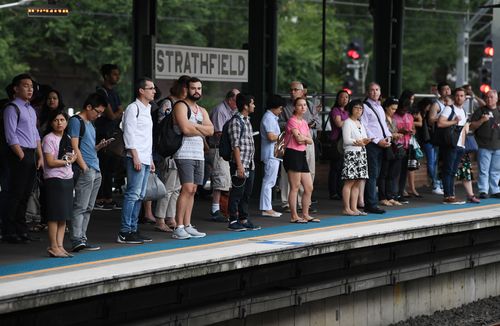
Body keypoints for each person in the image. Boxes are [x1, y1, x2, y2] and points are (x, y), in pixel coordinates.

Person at [2, 74, 44, 244]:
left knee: (26, 194)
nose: (30, 89)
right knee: (15, 194)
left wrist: (40, 156)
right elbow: (10, 135)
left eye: (31, 86)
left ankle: (21, 229)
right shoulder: (12, 108)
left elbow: (36, 135)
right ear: (16, 88)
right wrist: (21, 155)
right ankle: (9, 230)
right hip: (19, 155)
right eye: (25, 86)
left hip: (32, 154)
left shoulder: (30, 109)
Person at [172, 77, 213, 239]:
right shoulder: (180, 105)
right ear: (186, 89)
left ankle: (187, 225)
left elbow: (211, 131)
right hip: (184, 152)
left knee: (194, 190)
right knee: (187, 188)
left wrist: (194, 126)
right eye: (193, 88)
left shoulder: (202, 110)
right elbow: (185, 129)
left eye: (199, 88)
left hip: (198, 154)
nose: (197, 91)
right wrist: (200, 128)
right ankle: (178, 226)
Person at [117, 78, 156, 244]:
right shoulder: (133, 108)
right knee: (133, 194)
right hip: (137, 156)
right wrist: (135, 155)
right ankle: (125, 231)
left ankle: (133, 228)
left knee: (140, 195)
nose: (154, 91)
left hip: (145, 157)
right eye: (151, 88)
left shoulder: (147, 109)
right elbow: (129, 133)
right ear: (141, 90)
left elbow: (146, 137)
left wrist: (150, 158)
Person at [69, 93, 109, 252]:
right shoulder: (76, 121)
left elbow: (86, 147)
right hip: (86, 168)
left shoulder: (90, 124)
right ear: (88, 107)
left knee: (89, 206)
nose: (98, 115)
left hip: (95, 167)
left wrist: (98, 147)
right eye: (97, 112)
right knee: (81, 205)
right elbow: (74, 146)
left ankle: (82, 238)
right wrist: (84, 166)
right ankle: (76, 239)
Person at [152, 76, 190, 232]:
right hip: (170, 150)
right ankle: (160, 219)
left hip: (181, 150)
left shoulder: (184, 104)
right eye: (188, 88)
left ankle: (171, 217)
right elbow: (164, 126)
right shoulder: (169, 103)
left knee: (176, 188)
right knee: (168, 187)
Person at [42, 109, 77, 257]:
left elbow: (73, 155)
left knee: (63, 216)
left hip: (67, 178)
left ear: (66, 122)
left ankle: (60, 246)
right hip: (54, 180)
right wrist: (67, 161)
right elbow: (49, 162)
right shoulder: (48, 139)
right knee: (54, 215)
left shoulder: (67, 137)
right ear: (51, 123)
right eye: (56, 120)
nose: (59, 123)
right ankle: (53, 246)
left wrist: (71, 159)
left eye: (62, 120)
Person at [279, 81, 318, 212]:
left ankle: (304, 204)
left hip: (308, 141)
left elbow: (316, 121)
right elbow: (279, 123)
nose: (292, 92)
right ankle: (287, 204)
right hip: (291, 144)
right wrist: (295, 127)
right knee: (289, 177)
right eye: (291, 90)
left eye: (295, 90)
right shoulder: (285, 107)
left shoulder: (311, 105)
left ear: (303, 92)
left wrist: (307, 127)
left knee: (309, 173)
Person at [226, 94, 261, 231]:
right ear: (245, 106)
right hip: (240, 164)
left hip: (249, 163)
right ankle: (233, 220)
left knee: (246, 193)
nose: (254, 106)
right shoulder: (236, 121)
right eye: (252, 103)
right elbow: (235, 146)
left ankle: (243, 219)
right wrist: (239, 166)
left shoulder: (247, 120)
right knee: (237, 193)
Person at [283, 97, 320, 224]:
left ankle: (305, 214)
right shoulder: (292, 121)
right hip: (292, 153)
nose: (303, 107)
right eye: (300, 105)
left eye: (304, 105)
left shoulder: (304, 122)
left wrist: (302, 137)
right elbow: (299, 140)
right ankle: (294, 216)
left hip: (301, 154)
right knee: (295, 186)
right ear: (295, 107)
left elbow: (310, 140)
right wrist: (303, 138)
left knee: (309, 187)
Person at [95, 64, 124, 210]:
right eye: (114, 74)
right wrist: (117, 113)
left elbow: (118, 110)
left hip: (112, 132)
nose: (117, 77)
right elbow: (112, 114)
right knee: (102, 166)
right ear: (106, 75)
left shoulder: (114, 93)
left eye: (117, 74)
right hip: (102, 133)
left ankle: (107, 197)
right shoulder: (101, 92)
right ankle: (100, 198)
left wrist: (116, 113)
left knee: (110, 167)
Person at [208, 89, 240, 222]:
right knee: (220, 180)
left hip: (227, 149)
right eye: (237, 101)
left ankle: (223, 209)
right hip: (217, 148)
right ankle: (216, 210)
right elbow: (218, 133)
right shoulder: (220, 110)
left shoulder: (233, 111)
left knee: (226, 180)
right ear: (231, 99)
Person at [361, 82, 391, 214]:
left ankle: (373, 202)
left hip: (383, 144)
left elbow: (383, 125)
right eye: (372, 90)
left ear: (380, 91)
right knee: (372, 175)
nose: (374, 92)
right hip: (372, 145)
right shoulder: (364, 107)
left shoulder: (379, 107)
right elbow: (365, 126)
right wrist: (378, 141)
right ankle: (371, 204)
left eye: (377, 89)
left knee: (378, 174)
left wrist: (388, 137)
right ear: (368, 92)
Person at [437, 87, 467, 204]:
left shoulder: (463, 111)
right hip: (450, 144)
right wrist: (454, 121)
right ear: (454, 97)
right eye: (457, 95)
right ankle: (448, 196)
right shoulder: (449, 109)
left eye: (461, 95)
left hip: (459, 146)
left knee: (453, 171)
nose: (459, 97)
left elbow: (464, 129)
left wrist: (463, 146)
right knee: (448, 170)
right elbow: (440, 123)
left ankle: (451, 195)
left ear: (465, 98)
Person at [341, 99, 370, 216]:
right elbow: (346, 140)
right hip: (352, 153)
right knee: (349, 181)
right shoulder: (347, 122)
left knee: (358, 182)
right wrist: (358, 142)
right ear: (351, 109)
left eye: (361, 108)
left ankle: (354, 208)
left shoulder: (360, 123)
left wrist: (366, 141)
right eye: (356, 108)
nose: (359, 110)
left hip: (361, 153)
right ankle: (346, 208)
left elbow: (365, 138)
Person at [469, 89, 500, 198]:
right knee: (483, 170)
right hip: (483, 145)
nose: (488, 99)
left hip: (498, 146)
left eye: (491, 97)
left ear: (496, 99)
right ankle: (483, 190)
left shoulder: (499, 111)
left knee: (496, 170)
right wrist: (482, 120)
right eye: (487, 97)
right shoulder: (480, 111)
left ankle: (495, 190)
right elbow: (471, 126)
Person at [259, 94, 285, 218]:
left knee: (270, 181)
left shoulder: (271, 117)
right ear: (275, 107)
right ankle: (266, 208)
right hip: (270, 153)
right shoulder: (269, 118)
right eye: (280, 108)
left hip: (273, 153)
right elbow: (270, 136)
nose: (281, 111)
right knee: (269, 182)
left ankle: (267, 207)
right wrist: (285, 135)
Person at [378, 97, 403, 207]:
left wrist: (396, 136)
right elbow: (381, 133)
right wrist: (393, 135)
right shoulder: (382, 119)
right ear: (386, 107)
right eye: (392, 109)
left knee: (391, 174)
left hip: (392, 148)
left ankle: (390, 196)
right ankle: (382, 197)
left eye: (395, 109)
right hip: (384, 148)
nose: (394, 111)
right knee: (383, 173)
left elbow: (394, 132)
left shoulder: (393, 120)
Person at [427, 82, 451, 195]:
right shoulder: (436, 105)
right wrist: (442, 118)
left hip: (450, 136)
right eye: (444, 89)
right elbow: (430, 120)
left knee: (446, 160)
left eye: (448, 89)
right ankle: (436, 184)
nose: (447, 91)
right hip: (439, 135)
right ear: (440, 92)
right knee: (436, 161)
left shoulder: (452, 103)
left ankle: (443, 183)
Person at [393, 90, 416, 199]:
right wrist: (401, 131)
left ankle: (401, 192)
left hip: (407, 145)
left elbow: (413, 128)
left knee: (403, 171)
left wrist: (412, 131)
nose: (404, 111)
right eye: (402, 108)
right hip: (397, 146)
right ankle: (394, 193)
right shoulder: (394, 116)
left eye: (406, 109)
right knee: (395, 171)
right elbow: (391, 129)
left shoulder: (409, 116)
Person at [328, 90, 350, 200]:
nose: (344, 99)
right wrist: (350, 122)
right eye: (342, 97)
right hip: (336, 141)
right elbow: (339, 123)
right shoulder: (335, 110)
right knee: (335, 168)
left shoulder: (348, 112)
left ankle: (340, 190)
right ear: (338, 99)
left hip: (345, 142)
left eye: (346, 97)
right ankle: (333, 191)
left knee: (342, 167)